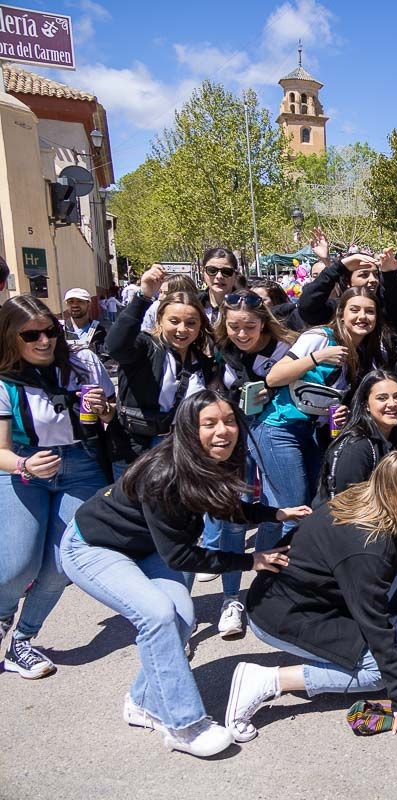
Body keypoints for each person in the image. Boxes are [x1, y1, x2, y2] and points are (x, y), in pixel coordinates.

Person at [61, 391, 304, 756]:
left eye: (229, 421)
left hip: (147, 548)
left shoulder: (210, 462)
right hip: (94, 547)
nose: (223, 431)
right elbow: (179, 556)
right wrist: (250, 560)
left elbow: (223, 502)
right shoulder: (164, 475)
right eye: (210, 424)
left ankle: (142, 702)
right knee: (157, 615)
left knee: (181, 618)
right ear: (190, 430)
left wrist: (275, 515)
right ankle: (185, 726)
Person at [230, 451, 397, 743]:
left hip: (306, 596)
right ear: (393, 493)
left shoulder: (371, 500)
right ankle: (268, 680)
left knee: (394, 639)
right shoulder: (369, 546)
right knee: (378, 672)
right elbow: (375, 623)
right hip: (281, 613)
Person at [0, 296, 114, 678]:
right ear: (11, 338)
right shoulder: (4, 381)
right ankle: (2, 615)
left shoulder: (81, 364)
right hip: (22, 466)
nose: (44, 341)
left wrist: (102, 410)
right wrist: (24, 464)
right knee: (17, 568)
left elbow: (107, 415)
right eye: (31, 335)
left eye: (50, 331)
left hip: (80, 465)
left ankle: (22, 640)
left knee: (64, 564)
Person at [200, 289, 298, 636]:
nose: (243, 334)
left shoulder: (285, 349)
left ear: (263, 323)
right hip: (232, 446)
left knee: (274, 516)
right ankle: (230, 600)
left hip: (274, 438)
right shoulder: (218, 351)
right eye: (235, 327)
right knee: (235, 521)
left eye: (250, 326)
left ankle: (265, 591)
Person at [262, 288, 382, 541]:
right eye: (355, 309)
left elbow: (328, 401)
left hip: (314, 434)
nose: (362, 316)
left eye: (369, 311)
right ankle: (276, 573)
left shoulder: (366, 354)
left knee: (314, 505)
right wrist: (318, 357)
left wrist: (338, 416)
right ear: (341, 313)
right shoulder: (320, 337)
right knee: (294, 509)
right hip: (280, 428)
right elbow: (274, 378)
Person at [108, 265, 214, 476]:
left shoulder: (203, 361)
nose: (182, 329)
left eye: (191, 323)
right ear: (160, 320)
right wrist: (144, 295)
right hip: (137, 451)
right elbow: (115, 346)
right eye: (174, 321)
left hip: (183, 450)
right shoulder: (144, 348)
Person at [316, 369, 397, 501]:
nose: (392, 404)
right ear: (365, 405)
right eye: (382, 398)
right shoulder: (356, 447)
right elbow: (346, 504)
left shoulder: (396, 438)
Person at [197, 247, 242, 323]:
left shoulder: (246, 306)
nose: (219, 276)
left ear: (236, 275)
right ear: (203, 272)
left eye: (226, 271)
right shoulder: (194, 304)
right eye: (212, 270)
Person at [61, 288, 107, 358]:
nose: (74, 305)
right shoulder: (60, 330)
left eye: (80, 301)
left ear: (89, 305)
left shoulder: (99, 331)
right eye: (71, 302)